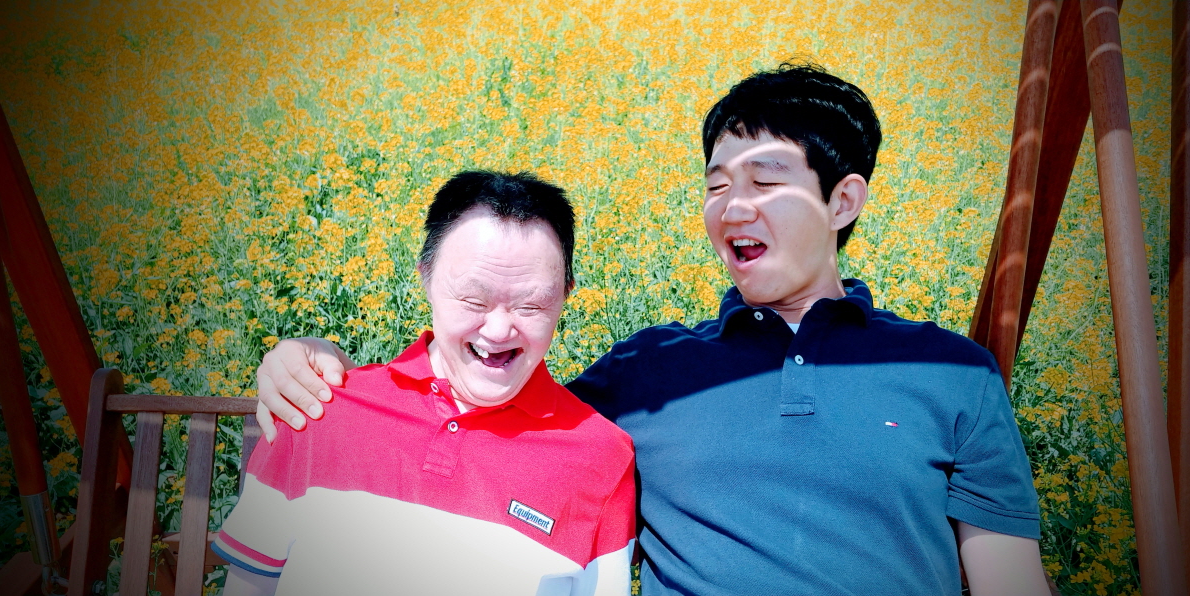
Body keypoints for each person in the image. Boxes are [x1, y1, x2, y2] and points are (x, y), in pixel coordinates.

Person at [254, 63, 1051, 595]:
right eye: (716, 185)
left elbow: (1007, 578)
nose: (732, 207)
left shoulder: (952, 373)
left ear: (842, 201)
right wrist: (313, 360)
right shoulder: (649, 370)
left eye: (764, 181)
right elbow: (490, 402)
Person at [213, 171, 636, 596]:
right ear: (425, 278)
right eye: (474, 300)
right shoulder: (314, 403)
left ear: (565, 295)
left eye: (531, 306)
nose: (498, 331)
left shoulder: (600, 458)